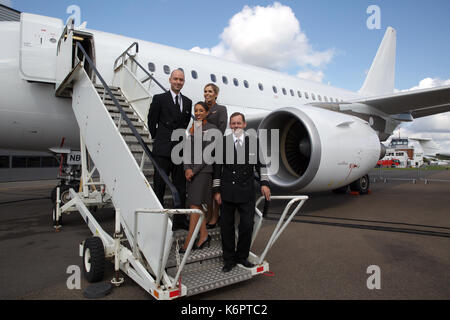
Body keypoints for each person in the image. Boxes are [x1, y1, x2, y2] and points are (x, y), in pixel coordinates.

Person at [213, 112, 271, 272]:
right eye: (233, 123)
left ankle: (242, 257)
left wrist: (264, 183)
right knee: (227, 227)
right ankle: (229, 260)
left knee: (247, 225)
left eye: (238, 123)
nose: (236, 126)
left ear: (244, 124)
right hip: (227, 191)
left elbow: (261, 164)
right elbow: (217, 168)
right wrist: (216, 190)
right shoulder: (223, 142)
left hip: (246, 191)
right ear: (230, 125)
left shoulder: (253, 142)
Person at [147, 69, 192, 230]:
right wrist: (158, 138)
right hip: (163, 149)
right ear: (170, 80)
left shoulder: (187, 102)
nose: (178, 82)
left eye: (181, 79)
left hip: (179, 149)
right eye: (176, 79)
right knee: (159, 185)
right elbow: (151, 120)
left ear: (183, 82)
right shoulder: (159, 99)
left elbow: (184, 124)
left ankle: (180, 220)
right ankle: (158, 220)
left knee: (180, 185)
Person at [180, 102, 218, 252]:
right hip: (191, 171)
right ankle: (203, 235)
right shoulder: (193, 128)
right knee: (194, 204)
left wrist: (193, 171)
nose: (198, 113)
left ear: (207, 112)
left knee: (194, 204)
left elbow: (207, 154)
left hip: (203, 172)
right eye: (196, 110)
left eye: (201, 110)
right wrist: (186, 169)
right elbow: (187, 151)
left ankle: (190, 238)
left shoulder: (212, 129)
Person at [203, 83, 228, 229]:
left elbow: (221, 129)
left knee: (215, 184)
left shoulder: (220, 109)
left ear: (216, 94)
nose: (207, 94)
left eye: (210, 91)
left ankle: (215, 215)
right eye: (205, 91)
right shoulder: (202, 109)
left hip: (215, 151)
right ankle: (209, 213)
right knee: (206, 185)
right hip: (203, 152)